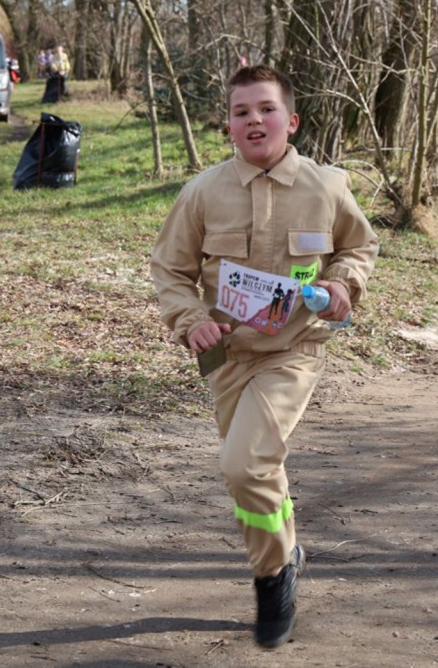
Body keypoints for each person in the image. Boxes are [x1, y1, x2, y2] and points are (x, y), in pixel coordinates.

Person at [149, 65, 379, 649]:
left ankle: (272, 575)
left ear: (292, 120)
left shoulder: (327, 187)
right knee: (254, 473)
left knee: (243, 465)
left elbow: (358, 246)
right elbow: (170, 270)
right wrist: (191, 320)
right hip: (227, 356)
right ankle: (285, 551)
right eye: (241, 111)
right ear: (227, 126)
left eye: (267, 109)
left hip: (293, 351)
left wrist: (343, 286)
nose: (255, 119)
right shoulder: (202, 192)